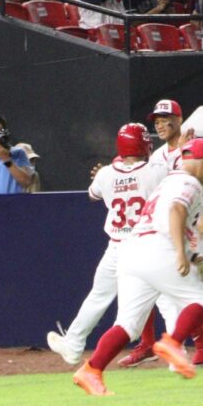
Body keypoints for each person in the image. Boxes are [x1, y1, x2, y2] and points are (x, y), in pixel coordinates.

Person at [72, 138, 203, 396]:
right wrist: (180, 253)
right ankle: (173, 343)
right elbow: (176, 210)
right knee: (202, 303)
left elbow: (169, 215)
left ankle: (91, 370)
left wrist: (192, 256)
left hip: (131, 252)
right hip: (159, 247)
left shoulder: (168, 181)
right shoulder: (189, 182)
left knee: (128, 325)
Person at [46, 124, 166, 365]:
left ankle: (74, 344)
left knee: (99, 297)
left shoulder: (105, 174)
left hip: (118, 247)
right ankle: (177, 346)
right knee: (165, 298)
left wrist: (114, 175)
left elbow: (94, 194)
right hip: (146, 245)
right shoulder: (158, 171)